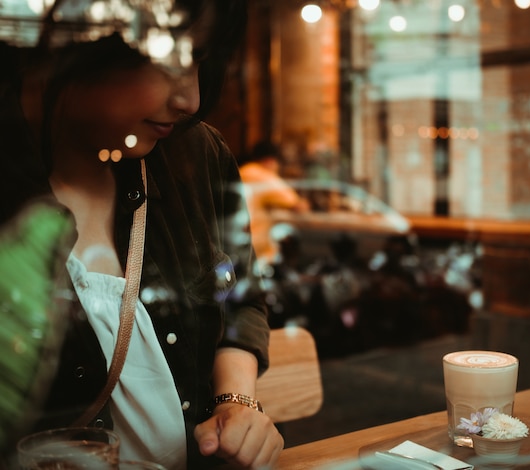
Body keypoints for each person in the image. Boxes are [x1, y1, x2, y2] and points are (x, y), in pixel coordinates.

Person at [0, 1, 283, 469]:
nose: (189, 99)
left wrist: (236, 402)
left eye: (201, 62)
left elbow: (242, 298)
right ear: (83, 40)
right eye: (171, 59)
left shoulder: (196, 155)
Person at [238, 141, 309, 267]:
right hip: (256, 251)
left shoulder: (242, 171)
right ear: (270, 161)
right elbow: (298, 205)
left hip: (234, 243)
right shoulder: (262, 176)